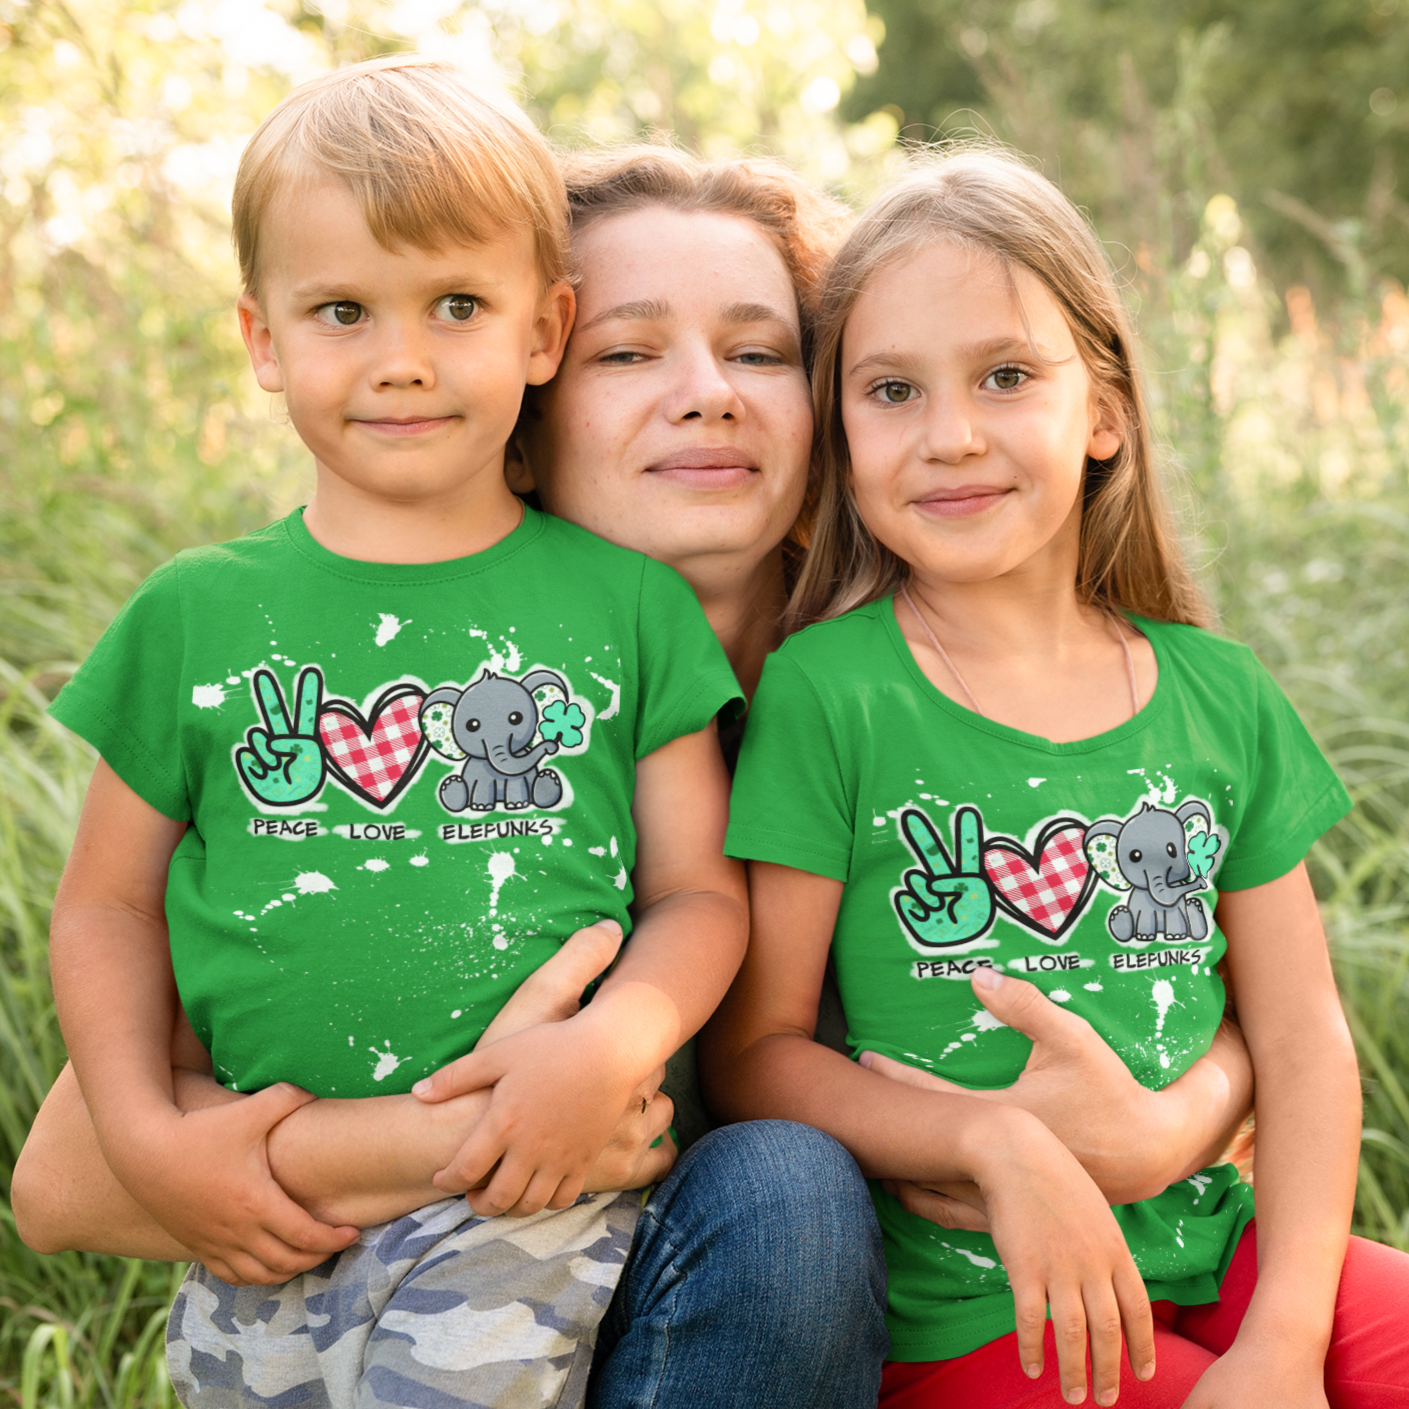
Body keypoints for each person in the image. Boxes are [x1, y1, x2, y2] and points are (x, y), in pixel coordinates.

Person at [17, 141, 1255, 1409]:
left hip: (938, 1328)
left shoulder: (934, 698)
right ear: (526, 388)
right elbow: (64, 1182)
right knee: (786, 1187)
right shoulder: (467, 726)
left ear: (832, 403)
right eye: (627, 351)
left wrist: (1181, 1116)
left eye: (758, 350)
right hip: (483, 1326)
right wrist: (447, 1133)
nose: (705, 392)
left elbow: (1223, 1002)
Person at [31, 56, 752, 1409]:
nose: (402, 359)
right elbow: (108, 907)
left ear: (544, 332)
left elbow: (701, 893)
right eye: (343, 310)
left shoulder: (625, 609)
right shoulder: (198, 614)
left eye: (458, 306)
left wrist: (609, 1044)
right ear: (261, 338)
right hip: (255, 1215)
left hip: (526, 1205)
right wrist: (146, 1138)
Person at [707, 146, 1409, 1409]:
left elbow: (1302, 1035)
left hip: (1224, 1249)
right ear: (840, 430)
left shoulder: (1217, 690)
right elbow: (755, 1052)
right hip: (984, 1303)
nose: (952, 434)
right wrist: (992, 1138)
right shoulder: (830, 692)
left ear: (1103, 410)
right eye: (890, 390)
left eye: (1006, 375)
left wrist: (1282, 1345)